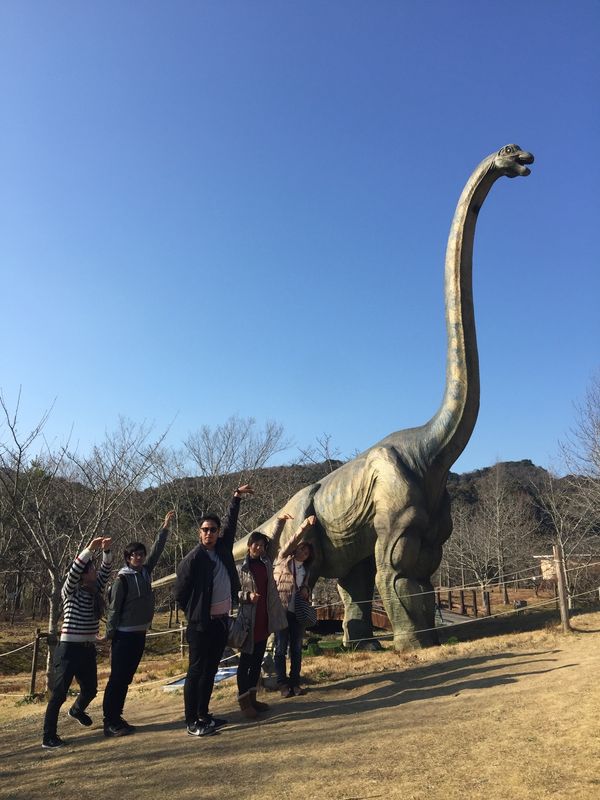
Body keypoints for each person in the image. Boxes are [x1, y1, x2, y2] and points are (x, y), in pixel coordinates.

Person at [174, 484, 253, 738]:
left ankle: (204, 714)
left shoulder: (221, 550)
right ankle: (191, 721)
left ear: (218, 534)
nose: (209, 533)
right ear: (199, 533)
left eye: (213, 530)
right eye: (205, 530)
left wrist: (236, 498)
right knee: (196, 672)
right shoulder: (193, 559)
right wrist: (195, 614)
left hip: (221, 622)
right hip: (200, 625)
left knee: (210, 671)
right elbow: (180, 593)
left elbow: (232, 524)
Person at [101, 509, 175, 737]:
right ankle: (109, 720)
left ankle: (117, 715)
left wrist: (165, 528)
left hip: (139, 634)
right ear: (127, 558)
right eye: (135, 555)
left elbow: (157, 552)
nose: (140, 557)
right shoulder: (122, 579)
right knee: (117, 678)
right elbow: (114, 609)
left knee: (126, 678)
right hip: (123, 636)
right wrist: (110, 634)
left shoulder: (145, 573)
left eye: (141, 554)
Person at [42, 536, 112, 749]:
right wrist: (89, 550)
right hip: (68, 649)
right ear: (83, 574)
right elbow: (74, 571)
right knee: (59, 694)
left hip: (87, 649)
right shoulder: (70, 591)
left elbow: (106, 572)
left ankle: (77, 710)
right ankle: (49, 737)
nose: (95, 572)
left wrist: (106, 552)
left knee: (90, 689)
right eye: (91, 569)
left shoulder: (95, 591)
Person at [236, 530, 287, 719]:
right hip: (249, 621)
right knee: (245, 663)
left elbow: (274, 543)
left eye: (261, 545)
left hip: (264, 619)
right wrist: (247, 596)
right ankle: (243, 702)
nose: (258, 548)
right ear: (249, 545)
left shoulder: (266, 563)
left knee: (257, 661)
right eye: (255, 544)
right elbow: (234, 593)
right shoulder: (241, 568)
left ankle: (253, 698)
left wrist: (280, 522)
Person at [273, 514, 316, 697]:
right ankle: (283, 684)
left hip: (297, 613)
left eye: (307, 552)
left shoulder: (305, 570)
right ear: (295, 550)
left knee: (297, 649)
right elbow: (293, 539)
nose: (303, 553)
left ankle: (295, 682)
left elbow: (305, 586)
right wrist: (305, 525)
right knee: (281, 648)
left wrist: (306, 588)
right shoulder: (283, 560)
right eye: (301, 549)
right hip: (281, 611)